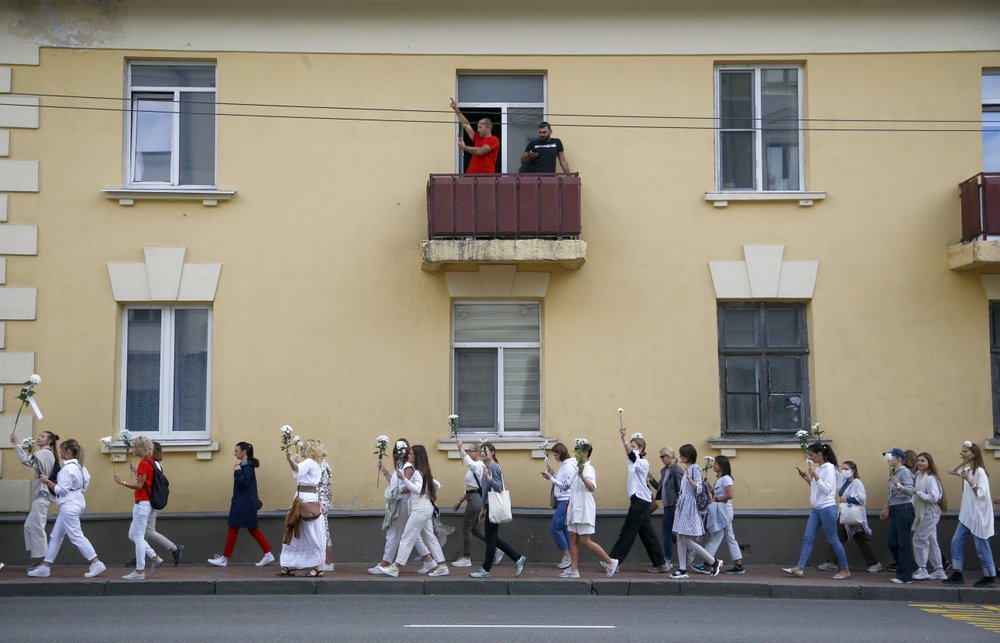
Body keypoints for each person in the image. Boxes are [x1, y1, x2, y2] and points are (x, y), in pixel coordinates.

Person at [27, 439, 106, 578]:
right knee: (56, 536)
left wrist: (47, 481)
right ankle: (46, 566)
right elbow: (85, 484)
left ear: (68, 452)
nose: (60, 452)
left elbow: (60, 490)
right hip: (77, 502)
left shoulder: (67, 468)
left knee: (76, 536)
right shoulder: (81, 467)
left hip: (68, 505)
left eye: (62, 450)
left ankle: (96, 562)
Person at [375, 445, 449, 577]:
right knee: (430, 538)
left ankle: (395, 567)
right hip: (426, 507)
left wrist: (403, 479)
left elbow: (417, 489)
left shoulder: (417, 472)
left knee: (406, 537)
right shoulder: (425, 471)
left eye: (410, 454)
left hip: (420, 509)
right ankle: (442, 565)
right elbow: (437, 485)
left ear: (416, 456)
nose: (408, 456)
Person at [457, 439, 527, 578]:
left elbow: (498, 487)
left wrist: (489, 477)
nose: (482, 453)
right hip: (489, 506)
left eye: (485, 452)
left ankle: (487, 568)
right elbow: (485, 490)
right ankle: (517, 558)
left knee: (491, 539)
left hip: (494, 506)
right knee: (492, 539)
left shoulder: (494, 468)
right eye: (482, 451)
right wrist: (483, 508)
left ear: (493, 453)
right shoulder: (486, 467)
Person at [783, 443, 850, 579]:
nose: (810, 457)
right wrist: (808, 478)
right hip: (817, 509)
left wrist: (816, 477)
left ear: (820, 454)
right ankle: (799, 568)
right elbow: (817, 488)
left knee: (833, 539)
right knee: (808, 537)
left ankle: (845, 569)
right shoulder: (819, 468)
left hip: (827, 508)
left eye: (811, 454)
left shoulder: (829, 468)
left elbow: (827, 490)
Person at [608, 429, 668, 573]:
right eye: (632, 446)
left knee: (627, 532)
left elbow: (631, 454)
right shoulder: (633, 460)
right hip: (639, 500)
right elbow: (629, 454)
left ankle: (613, 561)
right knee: (647, 533)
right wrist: (624, 441)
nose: (632, 449)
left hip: (640, 501)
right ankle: (660, 563)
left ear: (641, 449)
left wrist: (624, 441)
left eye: (635, 447)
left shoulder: (642, 462)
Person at [207, 442, 274, 568]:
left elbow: (243, 484)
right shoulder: (245, 465)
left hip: (244, 503)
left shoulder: (246, 466)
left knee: (235, 528)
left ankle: (225, 559)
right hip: (244, 502)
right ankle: (267, 554)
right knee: (251, 529)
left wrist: (237, 472)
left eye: (236, 451)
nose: (234, 453)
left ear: (244, 452)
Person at [562, 439, 617, 578]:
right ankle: (574, 570)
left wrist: (581, 475)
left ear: (586, 453)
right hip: (575, 506)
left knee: (585, 539)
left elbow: (591, 488)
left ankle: (610, 561)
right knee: (572, 537)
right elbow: (571, 488)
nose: (576, 454)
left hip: (584, 507)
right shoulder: (577, 468)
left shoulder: (588, 469)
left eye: (579, 451)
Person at [943, 441, 996, 587]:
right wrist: (963, 463)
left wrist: (969, 480)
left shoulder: (980, 472)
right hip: (967, 514)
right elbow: (950, 470)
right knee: (956, 540)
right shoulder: (968, 469)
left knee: (981, 546)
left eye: (965, 451)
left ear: (974, 453)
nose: (962, 453)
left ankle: (989, 576)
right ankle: (957, 573)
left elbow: (980, 493)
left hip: (978, 515)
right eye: (962, 451)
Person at [113, 435, 164, 580]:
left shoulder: (144, 463)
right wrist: (136, 471)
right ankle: (154, 557)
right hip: (146, 504)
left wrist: (121, 482)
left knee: (138, 537)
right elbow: (147, 481)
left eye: (135, 446)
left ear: (140, 448)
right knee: (133, 534)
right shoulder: (151, 462)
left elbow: (139, 485)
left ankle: (140, 571)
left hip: (142, 504)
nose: (133, 449)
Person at [818, 460, 882, 574]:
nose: (844, 471)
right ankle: (831, 562)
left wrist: (847, 499)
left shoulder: (857, 483)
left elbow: (862, 499)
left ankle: (874, 564)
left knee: (860, 540)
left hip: (854, 517)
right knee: (838, 537)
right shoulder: (843, 482)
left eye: (846, 469)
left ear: (853, 471)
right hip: (845, 516)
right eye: (843, 469)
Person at [670, 444, 722, 580]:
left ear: (687, 456)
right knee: (680, 538)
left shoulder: (695, 468)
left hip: (689, 506)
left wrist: (688, 478)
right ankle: (682, 569)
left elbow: (699, 488)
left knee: (686, 539)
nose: (680, 457)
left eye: (681, 455)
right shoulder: (688, 468)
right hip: (683, 506)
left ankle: (713, 561)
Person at [10, 430, 59, 569]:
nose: (39, 437)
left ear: (50, 441)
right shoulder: (47, 453)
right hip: (41, 496)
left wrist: (15, 444)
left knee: (37, 527)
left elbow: (25, 460)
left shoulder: (44, 453)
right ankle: (38, 558)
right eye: (39, 435)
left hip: (43, 495)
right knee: (29, 526)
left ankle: (41, 561)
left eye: (43, 436)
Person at [277, 439, 326, 576]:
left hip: (305, 500)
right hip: (305, 498)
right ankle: (292, 564)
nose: (301, 450)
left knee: (304, 532)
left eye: (304, 448)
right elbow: (299, 468)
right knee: (301, 532)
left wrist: (290, 460)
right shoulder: (313, 463)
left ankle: (317, 566)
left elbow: (297, 469)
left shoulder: (310, 462)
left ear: (310, 450)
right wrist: (294, 459)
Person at [138, 442, 183, 566]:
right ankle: (140, 556)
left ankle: (174, 548)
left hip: (150, 501)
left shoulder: (153, 464)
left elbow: (148, 481)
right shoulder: (157, 464)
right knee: (141, 531)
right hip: (153, 501)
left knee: (149, 532)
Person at [698, 455, 745, 575]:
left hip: (724, 511)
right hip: (722, 511)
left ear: (722, 466)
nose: (714, 465)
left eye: (716, 464)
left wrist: (717, 500)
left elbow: (729, 495)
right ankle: (738, 564)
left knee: (716, 536)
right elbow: (717, 493)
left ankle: (707, 564)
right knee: (730, 536)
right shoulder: (719, 479)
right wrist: (709, 486)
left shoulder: (726, 479)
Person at [880, 447, 916, 584]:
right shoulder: (893, 472)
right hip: (895, 509)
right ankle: (908, 567)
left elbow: (911, 491)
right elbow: (891, 493)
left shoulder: (904, 472)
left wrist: (899, 485)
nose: (888, 459)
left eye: (891, 456)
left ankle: (905, 576)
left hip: (904, 508)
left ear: (899, 459)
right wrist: (886, 506)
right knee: (891, 541)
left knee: (903, 542)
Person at [910, 452, 947, 581]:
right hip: (925, 512)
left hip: (930, 513)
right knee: (931, 541)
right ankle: (939, 570)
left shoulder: (930, 478)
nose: (919, 463)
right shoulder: (920, 476)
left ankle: (922, 569)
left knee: (918, 539)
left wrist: (917, 493)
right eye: (918, 461)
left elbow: (934, 497)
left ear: (929, 463)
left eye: (923, 461)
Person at [451, 442, 487, 568]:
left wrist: (461, 448)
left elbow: (470, 465)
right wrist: (459, 501)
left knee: (466, 529)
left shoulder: (479, 465)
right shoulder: (476, 467)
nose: (468, 452)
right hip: (473, 497)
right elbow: (470, 489)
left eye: (470, 450)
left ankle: (466, 558)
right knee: (475, 529)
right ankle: (496, 547)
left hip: (475, 499)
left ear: (476, 452)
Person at [647, 446, 683, 571]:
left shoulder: (676, 470)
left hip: (674, 505)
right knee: (670, 532)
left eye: (664, 456)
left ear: (671, 457)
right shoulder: (665, 471)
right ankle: (688, 548)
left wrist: (679, 507)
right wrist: (650, 478)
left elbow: (680, 490)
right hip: (667, 505)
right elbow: (660, 488)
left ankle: (668, 560)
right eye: (660, 457)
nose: (661, 459)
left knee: (666, 532)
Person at [541, 442, 575, 569]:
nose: (555, 457)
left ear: (561, 453)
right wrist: (553, 474)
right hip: (563, 500)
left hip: (566, 500)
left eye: (556, 455)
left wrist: (551, 478)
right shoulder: (564, 465)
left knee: (555, 527)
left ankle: (567, 556)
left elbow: (566, 485)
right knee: (564, 528)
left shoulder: (569, 466)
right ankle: (570, 556)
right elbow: (561, 481)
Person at [450, 97, 499, 174]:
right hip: (471, 178)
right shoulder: (477, 138)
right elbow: (466, 125)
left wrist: (464, 147)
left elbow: (480, 151)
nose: (478, 130)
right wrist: (456, 109)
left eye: (480, 127)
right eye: (477, 127)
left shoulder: (494, 139)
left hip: (485, 179)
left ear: (488, 127)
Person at [318, 442, 334, 573]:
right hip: (323, 501)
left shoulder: (321, 465)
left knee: (324, 532)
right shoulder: (324, 464)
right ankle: (325, 561)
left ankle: (328, 562)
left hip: (320, 502)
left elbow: (318, 484)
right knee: (324, 532)